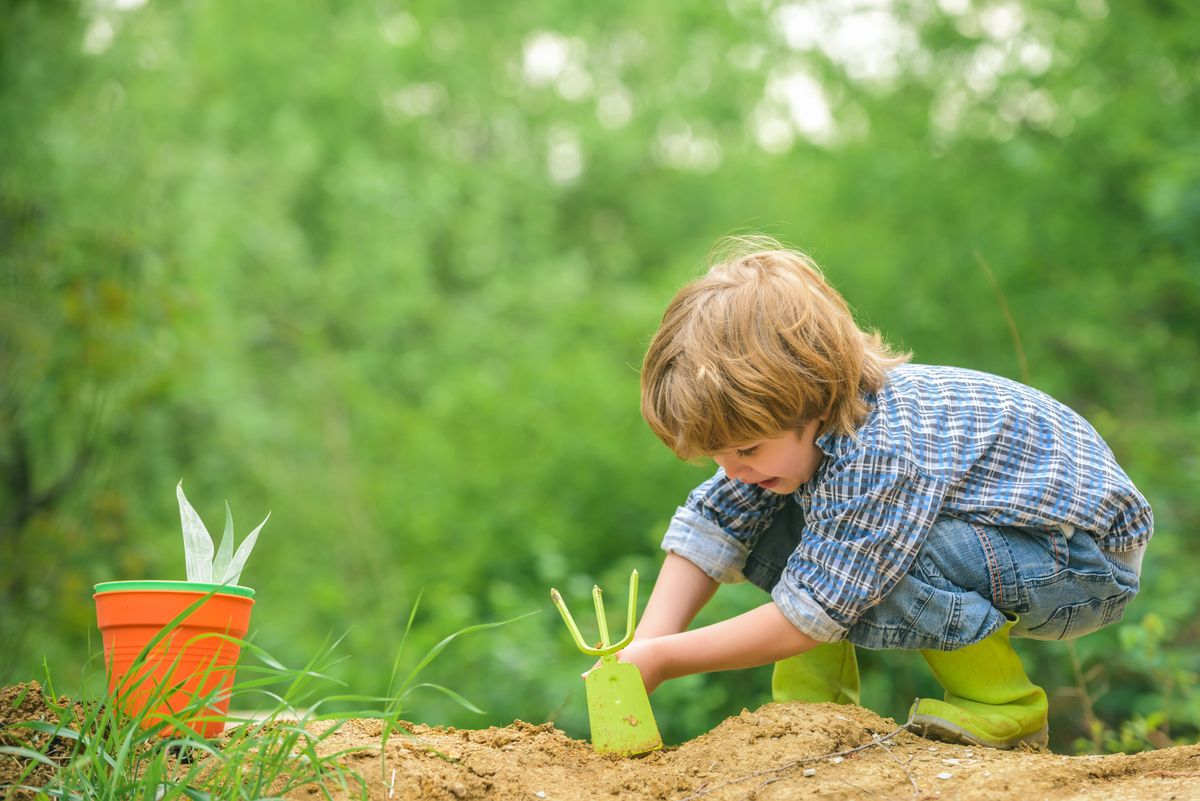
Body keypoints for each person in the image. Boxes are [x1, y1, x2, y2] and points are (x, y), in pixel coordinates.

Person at [618, 236, 1152, 750]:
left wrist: (669, 659)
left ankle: (1004, 706)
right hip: (1011, 544)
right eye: (718, 457)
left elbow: (813, 609)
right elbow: (712, 528)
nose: (732, 471)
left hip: (1080, 563)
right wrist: (643, 648)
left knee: (878, 556)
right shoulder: (791, 438)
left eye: (747, 451)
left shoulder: (882, 452)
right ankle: (810, 709)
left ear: (814, 401)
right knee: (784, 521)